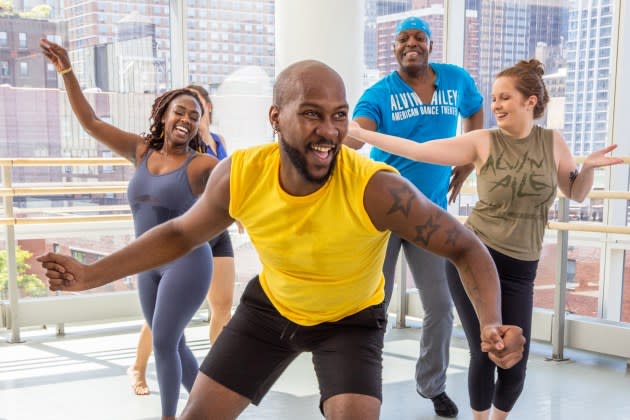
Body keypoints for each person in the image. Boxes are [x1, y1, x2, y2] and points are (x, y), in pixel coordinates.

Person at [39, 60, 526, 420]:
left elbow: (464, 245)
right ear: (276, 117)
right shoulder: (242, 174)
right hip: (269, 311)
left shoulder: (375, 187)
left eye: (339, 115)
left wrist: (492, 324)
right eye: (312, 114)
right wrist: (89, 275)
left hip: (351, 321)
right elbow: (182, 232)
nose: (329, 130)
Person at [346, 59, 623, 420]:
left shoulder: (553, 142)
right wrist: (362, 135)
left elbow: (576, 193)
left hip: (523, 267)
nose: (495, 106)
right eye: (493, 99)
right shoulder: (482, 142)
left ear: (531, 101)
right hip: (475, 256)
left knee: (514, 361)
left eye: (504, 98)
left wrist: (587, 169)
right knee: (486, 350)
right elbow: (418, 150)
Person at [39, 38, 219, 420]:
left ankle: (170, 417)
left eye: (195, 115)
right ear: (164, 114)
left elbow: (238, 183)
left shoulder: (202, 166)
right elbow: (91, 123)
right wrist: (67, 72)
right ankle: (215, 410)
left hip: (188, 263)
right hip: (146, 265)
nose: (186, 119)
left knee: (165, 342)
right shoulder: (141, 152)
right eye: (180, 112)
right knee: (175, 344)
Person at [344, 16, 484, 418]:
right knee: (375, 306)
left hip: (430, 216)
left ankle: (432, 385)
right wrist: (338, 134)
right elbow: (358, 135)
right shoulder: (379, 93)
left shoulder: (455, 80)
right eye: (402, 39)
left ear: (429, 44)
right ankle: (366, 386)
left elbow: (475, 112)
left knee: (440, 307)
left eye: (418, 38)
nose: (411, 44)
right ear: (393, 49)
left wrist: (470, 159)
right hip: (382, 217)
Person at [126, 84, 238, 396]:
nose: (190, 116)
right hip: (183, 236)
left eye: (198, 109)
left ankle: (214, 378)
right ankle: (138, 366)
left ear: (208, 111)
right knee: (162, 323)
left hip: (216, 236)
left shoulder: (217, 142)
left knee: (223, 307)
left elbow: (229, 183)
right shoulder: (177, 147)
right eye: (184, 110)